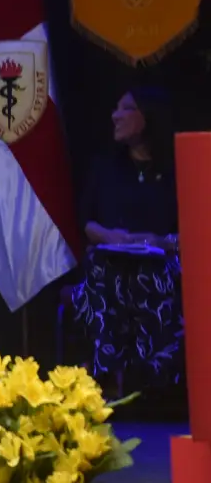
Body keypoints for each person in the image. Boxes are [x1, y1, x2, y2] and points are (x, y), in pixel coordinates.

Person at [71, 87, 183, 395]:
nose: (115, 115)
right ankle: (105, 375)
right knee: (100, 273)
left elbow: (193, 229)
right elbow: (87, 222)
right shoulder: (105, 166)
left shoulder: (177, 169)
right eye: (115, 108)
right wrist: (109, 236)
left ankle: (153, 383)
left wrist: (160, 240)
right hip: (112, 261)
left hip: (160, 260)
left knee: (156, 279)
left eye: (125, 109)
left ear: (147, 118)